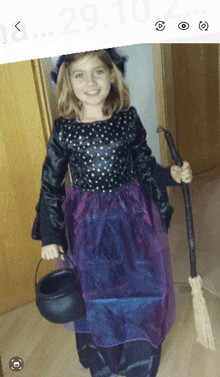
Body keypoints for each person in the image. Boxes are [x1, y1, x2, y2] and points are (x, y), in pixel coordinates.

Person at [32, 48, 193, 377]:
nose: (90, 82)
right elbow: (50, 185)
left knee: (141, 281)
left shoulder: (127, 118)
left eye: (98, 72)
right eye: (79, 75)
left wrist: (171, 175)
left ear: (112, 75)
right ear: (68, 82)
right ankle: (106, 359)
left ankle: (140, 355)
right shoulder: (65, 131)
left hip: (132, 215)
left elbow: (145, 165)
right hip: (87, 222)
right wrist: (51, 235)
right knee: (96, 289)